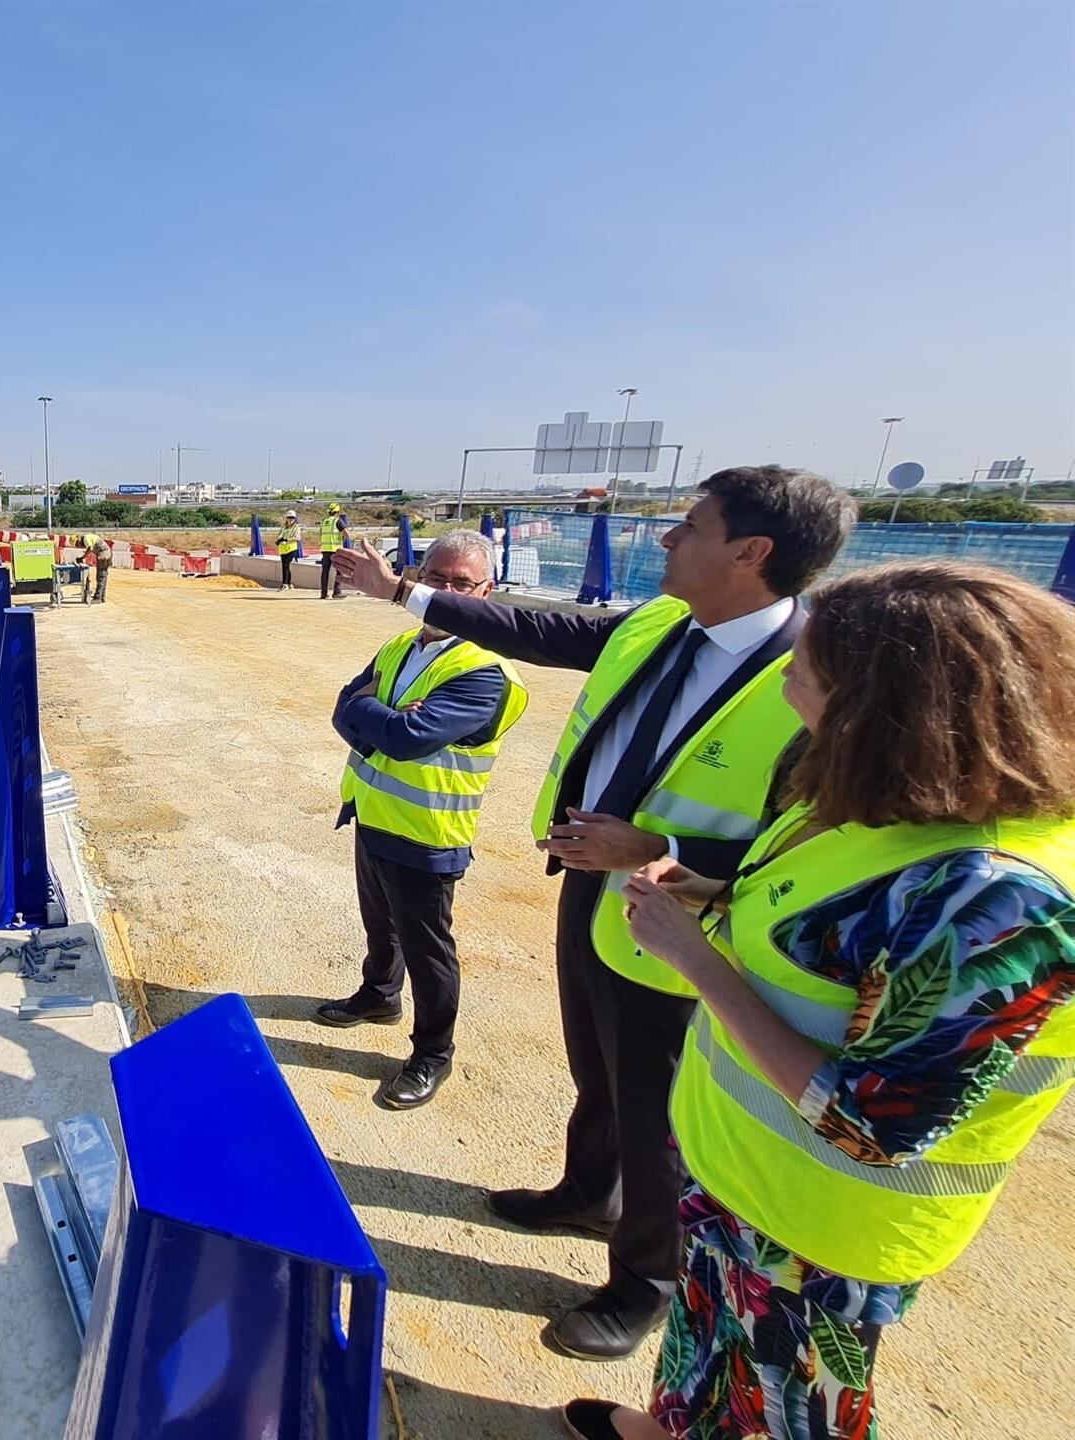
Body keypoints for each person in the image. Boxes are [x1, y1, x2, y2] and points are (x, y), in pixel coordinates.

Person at [332, 467, 855, 1360]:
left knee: (656, 1109)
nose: (668, 538)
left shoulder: (817, 680)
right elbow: (542, 631)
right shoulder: (661, 624)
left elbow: (818, 847)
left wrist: (658, 847)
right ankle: (588, 1194)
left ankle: (644, 1283)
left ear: (751, 552)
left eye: (691, 526)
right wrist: (401, 593)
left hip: (687, 924)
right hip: (591, 886)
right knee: (599, 1071)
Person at [559, 562, 1075, 1440]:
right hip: (740, 1176)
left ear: (886, 704)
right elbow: (824, 934)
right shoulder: (880, 803)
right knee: (709, 1351)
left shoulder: (996, 899)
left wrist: (697, 961)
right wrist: (705, 892)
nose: (785, 677)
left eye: (807, 666)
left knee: (785, 1409)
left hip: (817, 1230)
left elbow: (875, 1123)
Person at [316, 531, 530, 1107]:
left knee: (429, 950)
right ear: (417, 578)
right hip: (374, 813)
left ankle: (433, 1053)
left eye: (463, 583)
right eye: (436, 579)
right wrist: (377, 715)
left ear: (486, 592)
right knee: (380, 925)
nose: (448, 592)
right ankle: (379, 995)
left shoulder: (485, 671)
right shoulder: (399, 647)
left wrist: (372, 712)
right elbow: (345, 708)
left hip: (428, 833)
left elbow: (406, 738)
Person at [319, 503, 350, 599]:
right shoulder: (338, 521)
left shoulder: (325, 522)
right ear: (337, 512)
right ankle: (336, 592)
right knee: (339, 571)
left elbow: (320, 534)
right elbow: (347, 534)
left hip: (325, 550)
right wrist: (342, 541)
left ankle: (323, 593)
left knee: (325, 572)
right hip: (335, 550)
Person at [81, 531, 113, 602]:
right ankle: (102, 597)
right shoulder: (89, 537)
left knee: (101, 576)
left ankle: (98, 597)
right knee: (103, 576)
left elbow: (90, 548)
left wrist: (82, 557)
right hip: (106, 553)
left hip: (104, 554)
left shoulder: (86, 538)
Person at [277, 510, 301, 589]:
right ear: (286, 518)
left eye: (292, 518)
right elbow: (279, 535)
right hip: (283, 549)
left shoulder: (296, 528)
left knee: (286, 565)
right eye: (289, 517)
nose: (291, 519)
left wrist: (287, 539)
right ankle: (289, 583)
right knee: (285, 566)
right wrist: (279, 540)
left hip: (291, 549)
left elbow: (298, 537)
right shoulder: (283, 527)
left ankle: (285, 584)